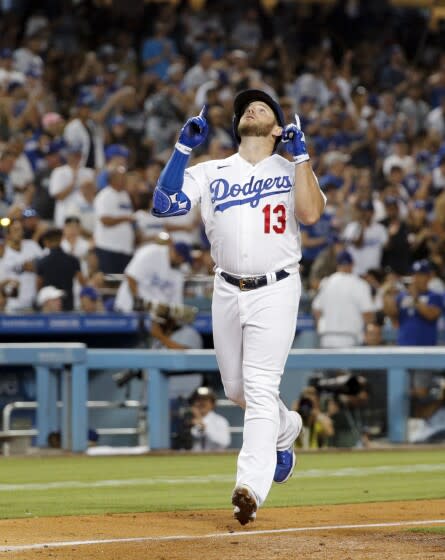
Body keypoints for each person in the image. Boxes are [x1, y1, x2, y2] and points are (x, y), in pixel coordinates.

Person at [151, 89, 326, 525]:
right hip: (226, 288)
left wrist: (302, 157)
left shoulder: (289, 168)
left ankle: (248, 488)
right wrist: (181, 149)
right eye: (247, 106)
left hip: (277, 287)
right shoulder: (212, 170)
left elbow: (311, 214)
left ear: (276, 127)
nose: (252, 107)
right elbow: (164, 203)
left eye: (263, 106)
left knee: (262, 388)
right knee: (237, 391)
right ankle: (286, 432)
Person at [312, 250, 375, 348]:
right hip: (351, 339)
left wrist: (320, 327)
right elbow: (368, 314)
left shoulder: (326, 283)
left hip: (327, 338)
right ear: (352, 264)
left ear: (338, 265)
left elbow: (316, 310)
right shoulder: (360, 284)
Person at [189, 386, 231, 451]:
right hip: (192, 458)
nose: (201, 403)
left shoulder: (220, 421)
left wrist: (205, 428)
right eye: (198, 400)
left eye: (205, 400)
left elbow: (224, 442)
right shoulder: (188, 420)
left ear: (212, 403)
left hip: (214, 457)